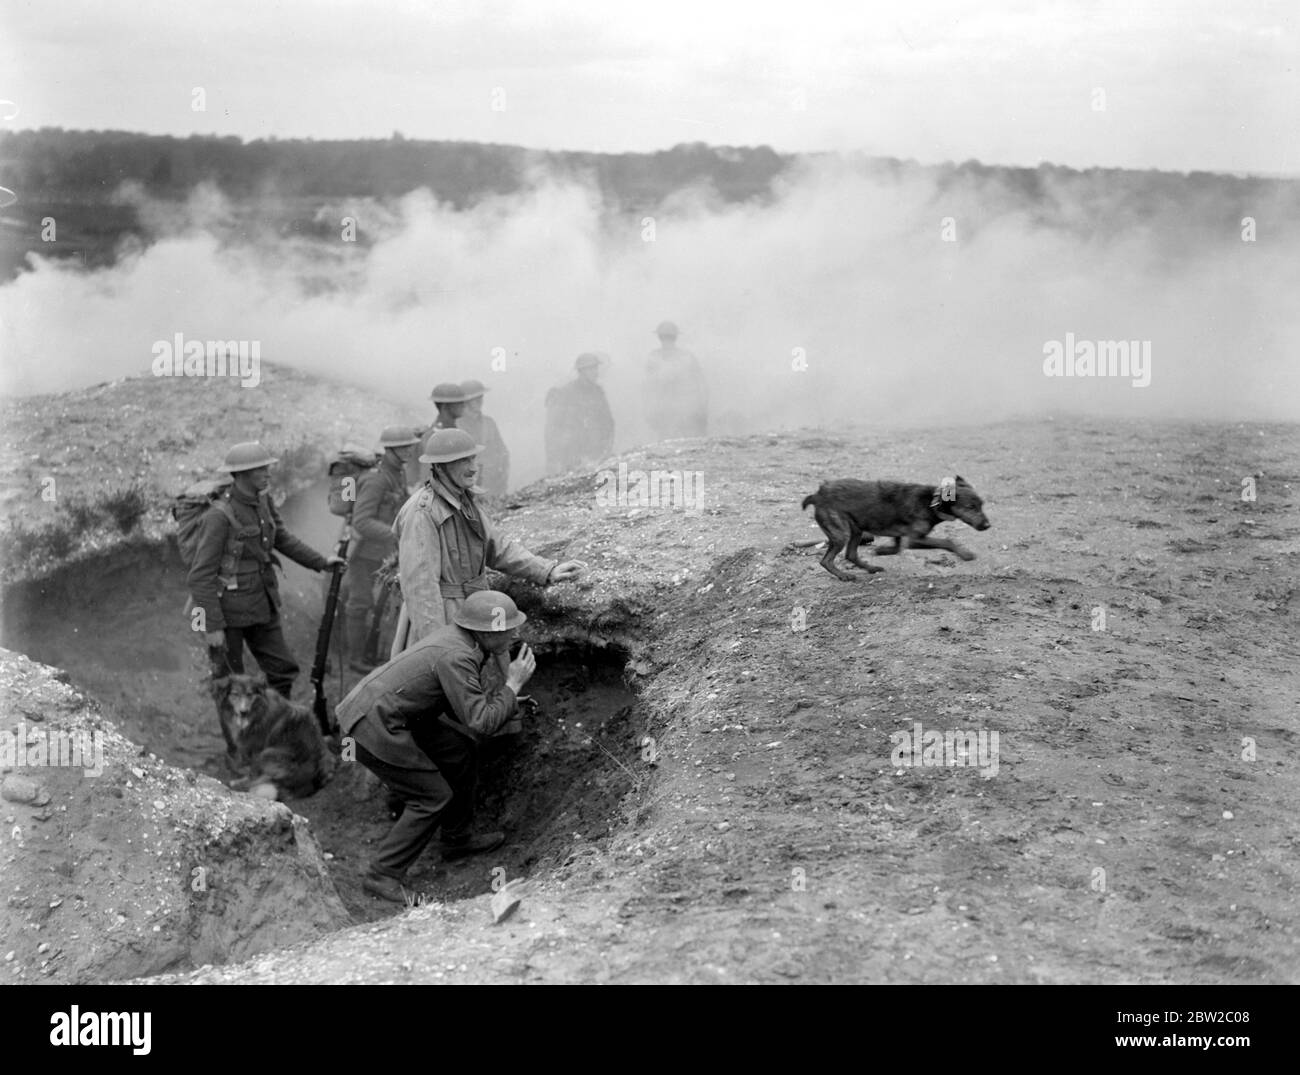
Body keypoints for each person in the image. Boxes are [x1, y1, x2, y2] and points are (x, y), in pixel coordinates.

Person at [337, 590, 537, 902]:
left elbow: (463, 702)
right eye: (508, 628)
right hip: (373, 724)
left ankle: (456, 840)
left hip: (397, 713)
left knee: (460, 751)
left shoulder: (461, 640)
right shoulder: (457, 655)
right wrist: (511, 686)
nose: (514, 633)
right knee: (431, 796)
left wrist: (506, 701)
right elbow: (480, 722)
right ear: (486, 631)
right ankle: (383, 875)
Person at [390, 428, 584, 653]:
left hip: (473, 612)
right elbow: (421, 589)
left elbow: (497, 548)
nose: (473, 467)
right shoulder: (422, 513)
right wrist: (437, 649)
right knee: (443, 683)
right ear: (440, 467)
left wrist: (546, 570)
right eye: (462, 460)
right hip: (442, 621)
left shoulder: (465, 501)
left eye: (472, 458)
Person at [189, 441, 346, 711]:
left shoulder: (263, 501)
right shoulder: (219, 516)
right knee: (228, 683)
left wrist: (320, 562)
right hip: (227, 614)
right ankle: (237, 747)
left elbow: (281, 538)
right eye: (260, 469)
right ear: (240, 475)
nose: (267, 473)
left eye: (266, 468)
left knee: (282, 671)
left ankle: (276, 728)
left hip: (262, 604)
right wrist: (211, 626)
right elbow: (200, 576)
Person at [343, 426, 419, 673]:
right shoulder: (377, 478)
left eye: (410, 445)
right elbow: (361, 521)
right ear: (390, 449)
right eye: (403, 447)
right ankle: (355, 658)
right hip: (364, 553)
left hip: (384, 552)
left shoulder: (397, 474)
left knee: (381, 605)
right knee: (360, 602)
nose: (409, 450)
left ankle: (372, 653)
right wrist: (396, 533)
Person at [544, 352, 615, 475]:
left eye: (596, 368)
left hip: (596, 454)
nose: (596, 372)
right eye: (591, 368)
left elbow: (608, 422)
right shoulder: (566, 393)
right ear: (581, 371)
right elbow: (555, 427)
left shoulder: (598, 392)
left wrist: (605, 449)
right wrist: (555, 458)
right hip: (573, 456)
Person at [645, 320, 708, 440]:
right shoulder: (687, 356)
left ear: (659, 337)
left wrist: (649, 411)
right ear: (676, 337)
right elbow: (701, 384)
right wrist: (702, 408)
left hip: (664, 410)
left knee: (667, 445)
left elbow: (648, 388)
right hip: (686, 408)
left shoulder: (653, 358)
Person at [457, 379, 510, 497]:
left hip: (492, 485)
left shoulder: (489, 423)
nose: (480, 401)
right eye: (475, 398)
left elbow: (503, 452)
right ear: (465, 401)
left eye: (480, 397)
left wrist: (503, 474)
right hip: (467, 486)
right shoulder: (456, 425)